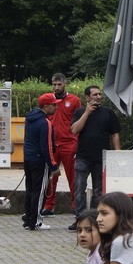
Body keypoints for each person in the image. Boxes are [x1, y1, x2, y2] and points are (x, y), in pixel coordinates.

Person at [68, 85, 121, 230]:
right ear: (87, 98)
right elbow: (74, 130)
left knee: (98, 192)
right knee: (79, 189)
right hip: (83, 157)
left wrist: (117, 153)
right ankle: (79, 219)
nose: (98, 97)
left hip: (101, 158)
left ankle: (92, 220)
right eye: (95, 95)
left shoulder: (108, 113)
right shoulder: (80, 112)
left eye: (99, 94)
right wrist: (86, 113)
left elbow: (115, 133)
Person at [41, 73, 82, 217]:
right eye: (54, 84)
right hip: (52, 144)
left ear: (65, 84)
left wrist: (76, 141)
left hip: (69, 143)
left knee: (73, 177)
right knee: (51, 176)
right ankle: (48, 206)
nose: (57, 87)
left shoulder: (75, 100)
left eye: (59, 84)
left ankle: (75, 205)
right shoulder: (48, 100)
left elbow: (80, 121)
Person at [23, 95, 61, 231]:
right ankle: (36, 221)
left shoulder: (29, 118)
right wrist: (54, 166)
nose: (56, 107)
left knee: (30, 189)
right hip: (39, 161)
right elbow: (47, 147)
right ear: (46, 107)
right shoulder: (45, 123)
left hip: (28, 158)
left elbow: (27, 139)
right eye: (54, 105)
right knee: (39, 192)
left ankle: (28, 219)